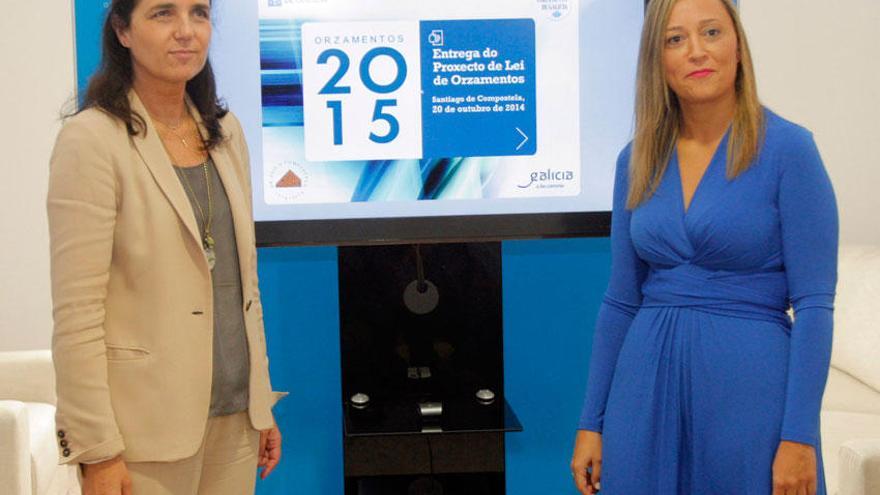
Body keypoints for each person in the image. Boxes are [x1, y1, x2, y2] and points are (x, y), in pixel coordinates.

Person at [570, 0, 837, 493]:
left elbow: (815, 306)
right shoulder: (636, 159)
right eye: (675, 39)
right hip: (643, 390)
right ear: (658, 60)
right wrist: (593, 420)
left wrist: (800, 437)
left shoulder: (790, 150)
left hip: (751, 395)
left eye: (711, 32)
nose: (696, 51)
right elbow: (621, 299)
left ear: (737, 44)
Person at [47, 1, 285, 493]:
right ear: (122, 31)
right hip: (141, 435)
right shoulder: (91, 139)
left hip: (235, 420)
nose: (185, 31)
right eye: (162, 14)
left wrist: (259, 405)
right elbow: (78, 313)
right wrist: (97, 449)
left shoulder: (226, 133)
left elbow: (243, 283)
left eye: (198, 14)